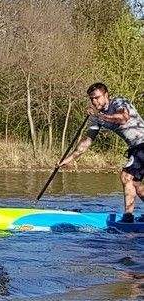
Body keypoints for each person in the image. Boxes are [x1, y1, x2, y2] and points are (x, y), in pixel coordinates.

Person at [59, 82, 144, 222]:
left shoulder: (118, 101)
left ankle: (128, 218)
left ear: (106, 95)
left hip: (142, 143)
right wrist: (69, 159)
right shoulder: (95, 118)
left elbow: (124, 118)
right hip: (135, 148)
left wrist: (99, 115)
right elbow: (87, 140)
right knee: (135, 184)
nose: (94, 101)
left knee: (126, 177)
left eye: (97, 97)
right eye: (92, 99)